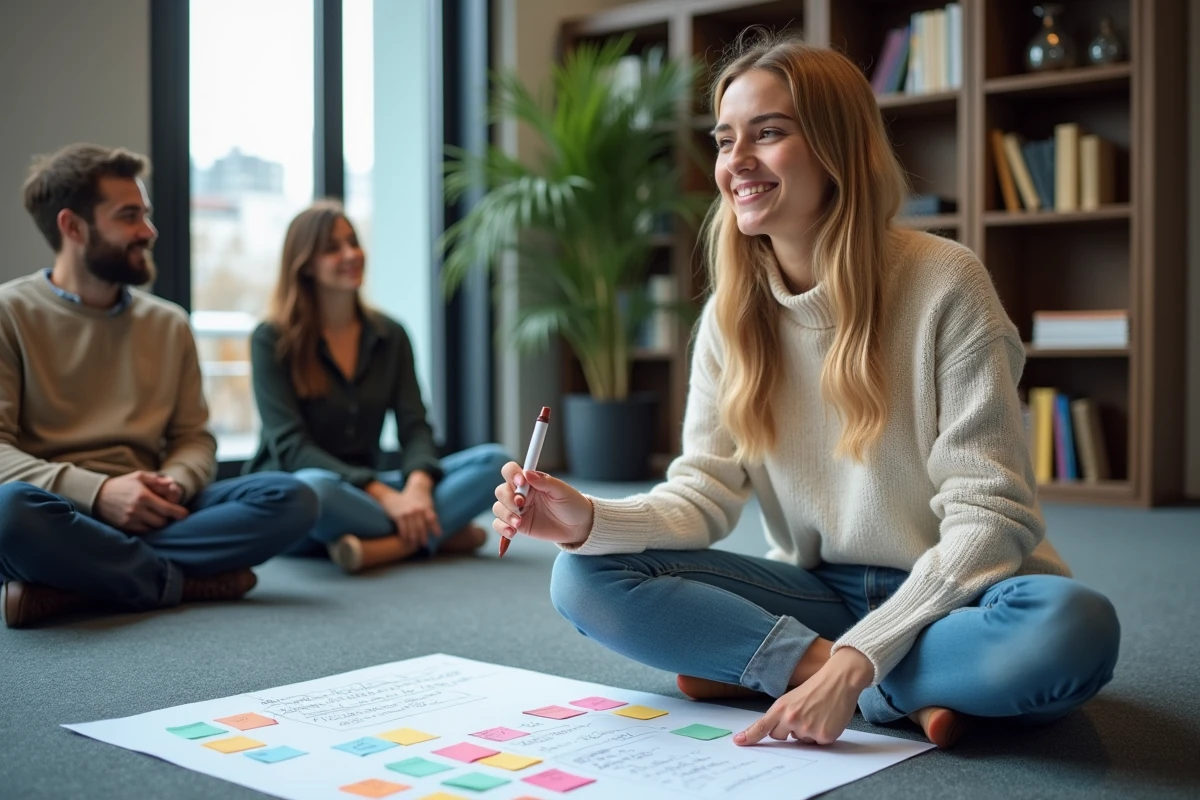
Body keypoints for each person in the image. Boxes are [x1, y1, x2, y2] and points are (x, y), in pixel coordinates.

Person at [490, 33, 1120, 749]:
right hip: (822, 591)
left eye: (768, 133)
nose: (736, 161)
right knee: (581, 578)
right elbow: (702, 496)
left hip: (961, 591)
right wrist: (587, 519)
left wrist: (860, 657)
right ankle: (875, 686)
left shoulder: (947, 283)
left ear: (836, 148)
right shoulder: (728, 315)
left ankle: (790, 671)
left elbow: (991, 516)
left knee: (1074, 630)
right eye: (725, 140)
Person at [0, 143, 319, 629]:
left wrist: (174, 484)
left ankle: (76, 583)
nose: (148, 231)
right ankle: (178, 582)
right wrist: (100, 492)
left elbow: (194, 438)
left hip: (158, 508)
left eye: (145, 215)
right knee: (11, 513)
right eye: (129, 217)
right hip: (63, 511)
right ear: (73, 227)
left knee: (293, 498)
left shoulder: (169, 324)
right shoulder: (9, 314)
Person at [245, 201, 510, 573]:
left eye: (353, 242)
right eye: (333, 248)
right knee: (314, 489)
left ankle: (382, 547)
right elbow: (292, 448)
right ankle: (434, 533)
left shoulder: (390, 335)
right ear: (305, 265)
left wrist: (417, 487)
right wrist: (386, 496)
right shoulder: (271, 339)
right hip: (303, 494)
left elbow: (415, 426)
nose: (351, 254)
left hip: (365, 492)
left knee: (497, 464)